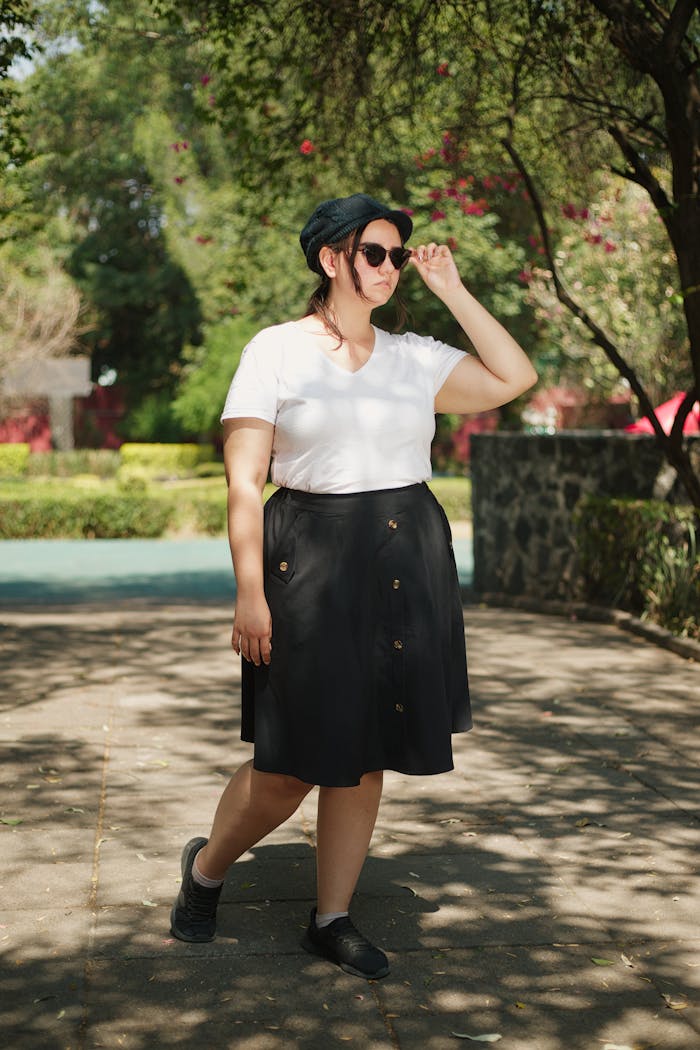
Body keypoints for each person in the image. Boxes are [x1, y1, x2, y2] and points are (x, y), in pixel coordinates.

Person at [170, 192, 537, 980]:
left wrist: (454, 291)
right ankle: (206, 870)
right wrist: (248, 592)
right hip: (308, 560)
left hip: (408, 556)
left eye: (397, 255)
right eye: (375, 253)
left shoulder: (415, 356)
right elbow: (244, 484)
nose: (390, 267)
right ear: (330, 258)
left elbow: (515, 376)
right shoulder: (275, 350)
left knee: (368, 751)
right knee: (290, 764)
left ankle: (330, 917)